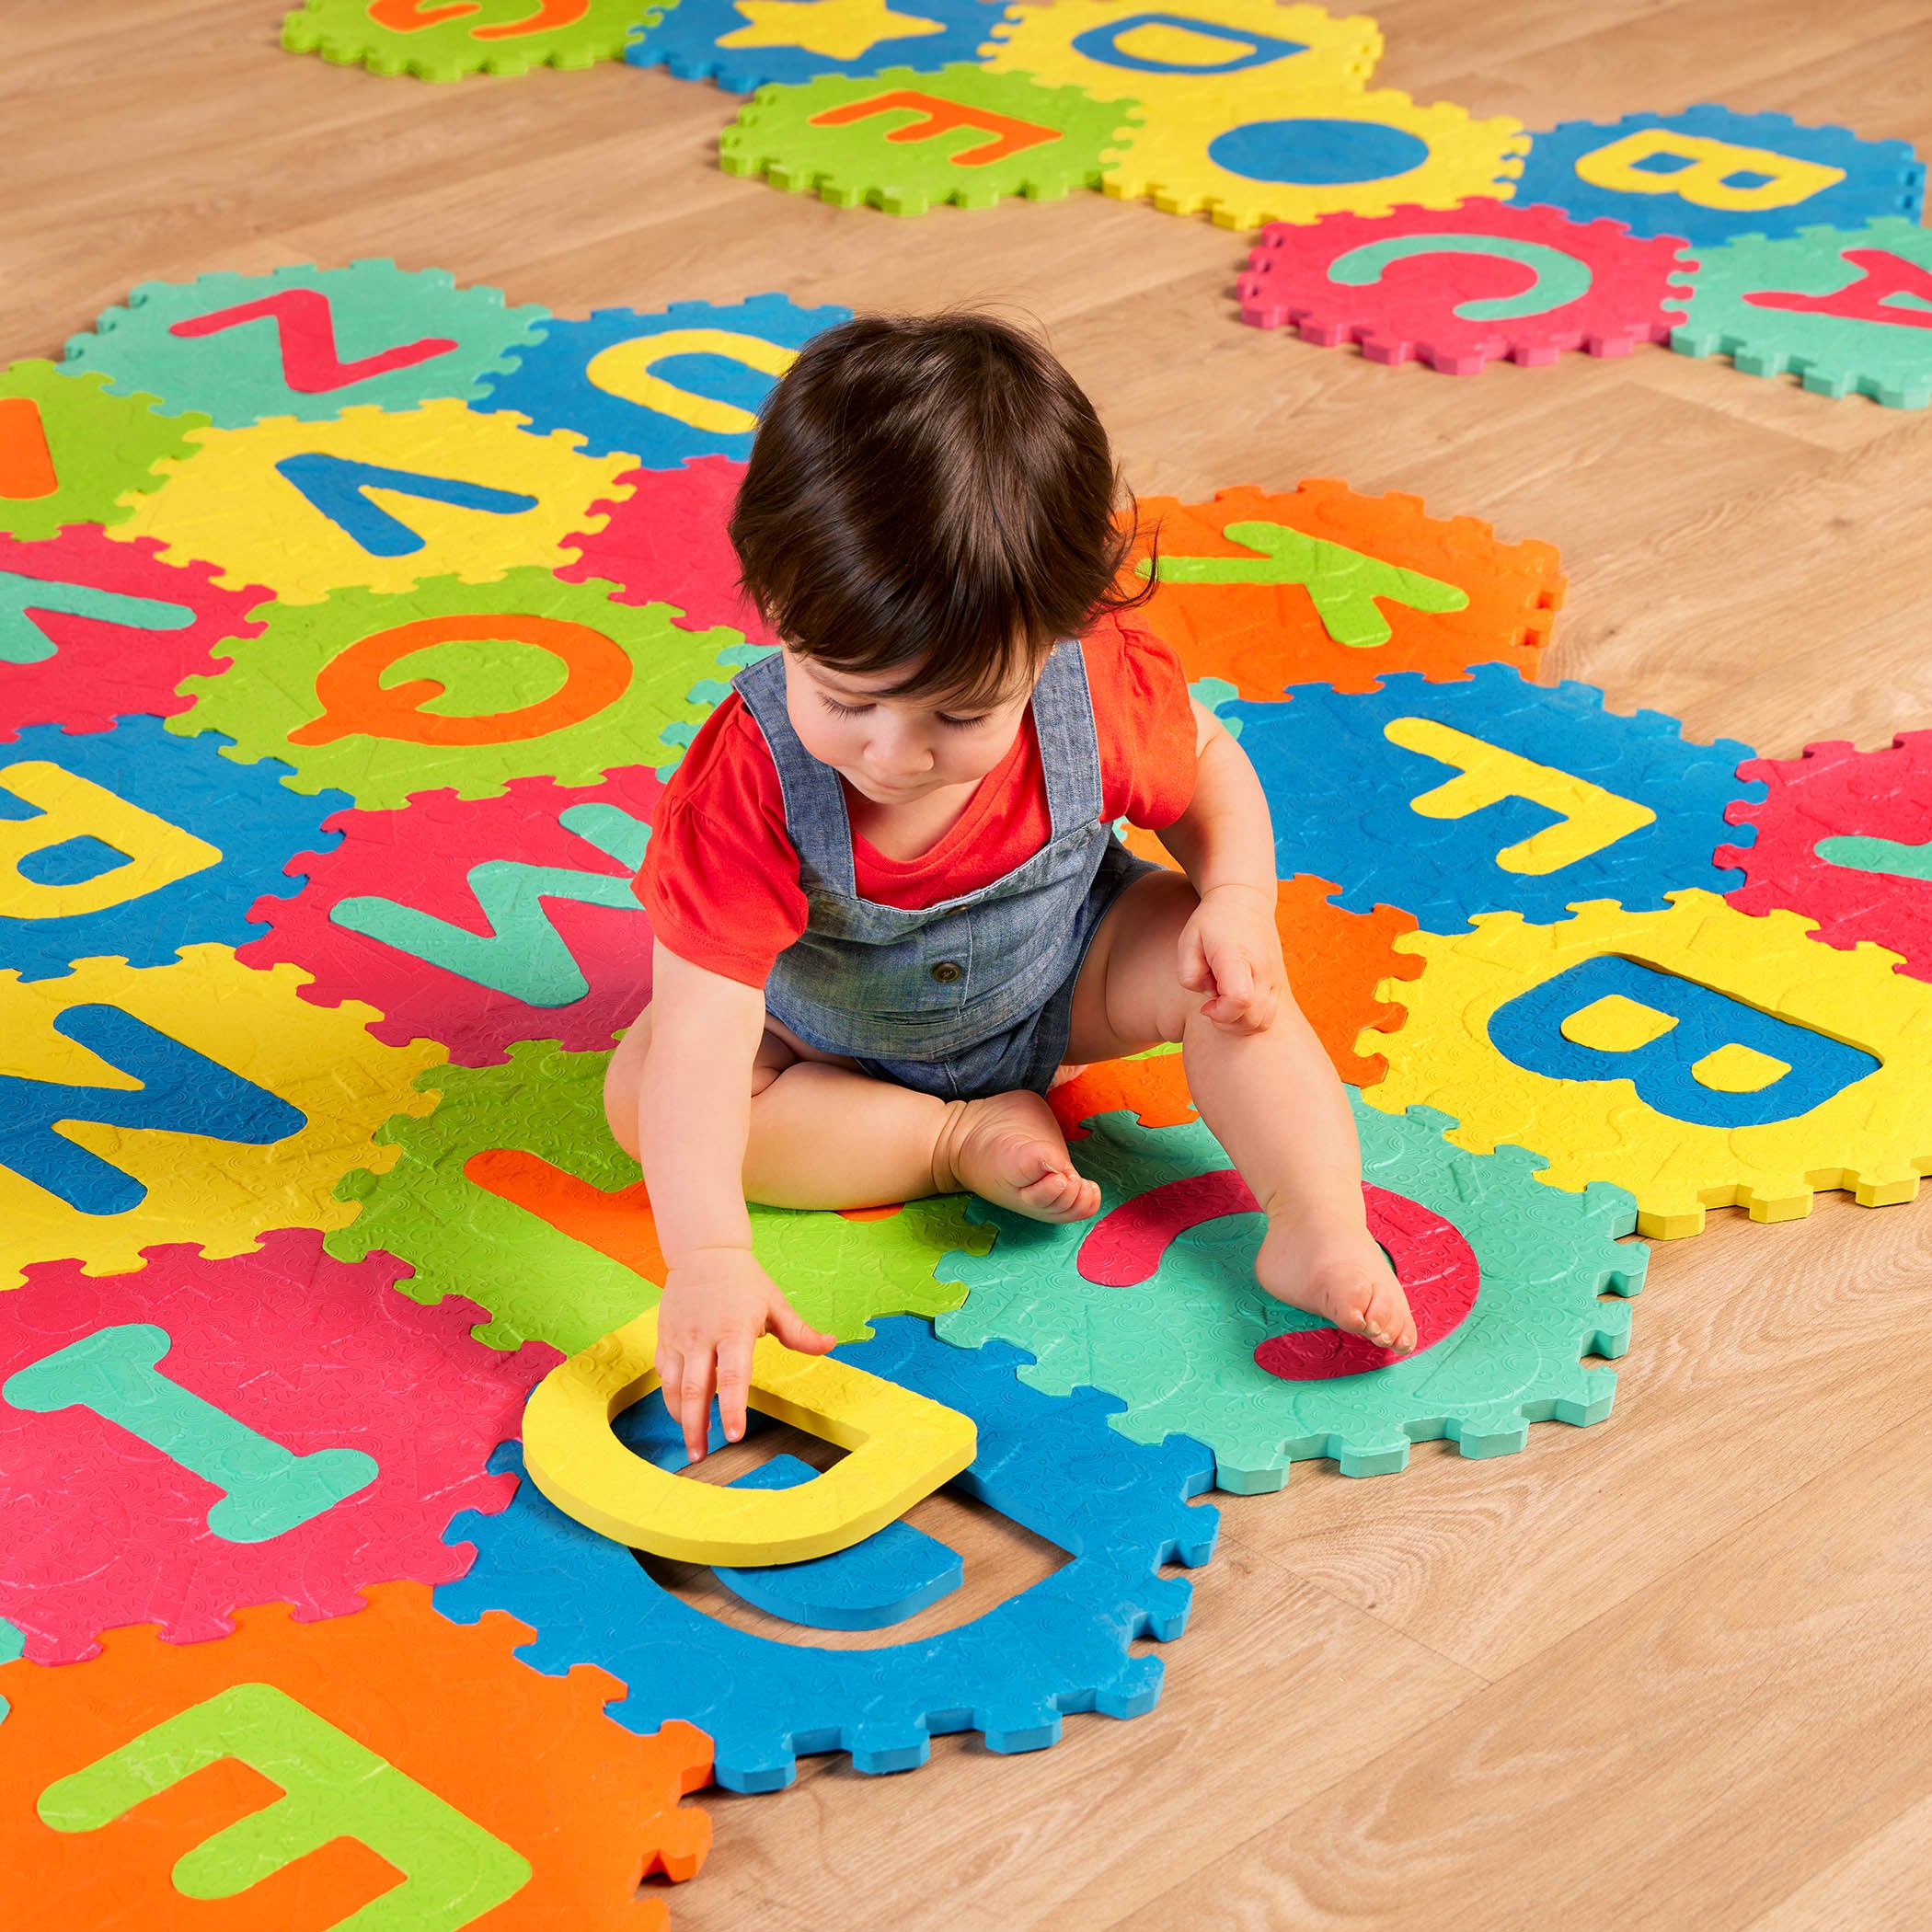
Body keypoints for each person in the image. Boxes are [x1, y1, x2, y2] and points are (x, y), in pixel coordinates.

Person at [607, 311, 1415, 1464]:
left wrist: (1237, 898)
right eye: (847, 699)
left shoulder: (1095, 687)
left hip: (1062, 978)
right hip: (822, 1039)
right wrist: (710, 1259)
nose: (893, 753)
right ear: (776, 609)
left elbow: (1209, 772)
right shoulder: (746, 780)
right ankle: (951, 1141)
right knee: (650, 1097)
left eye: (958, 714)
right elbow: (703, 1029)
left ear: (1059, 635)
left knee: (1231, 982)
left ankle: (1316, 1220)